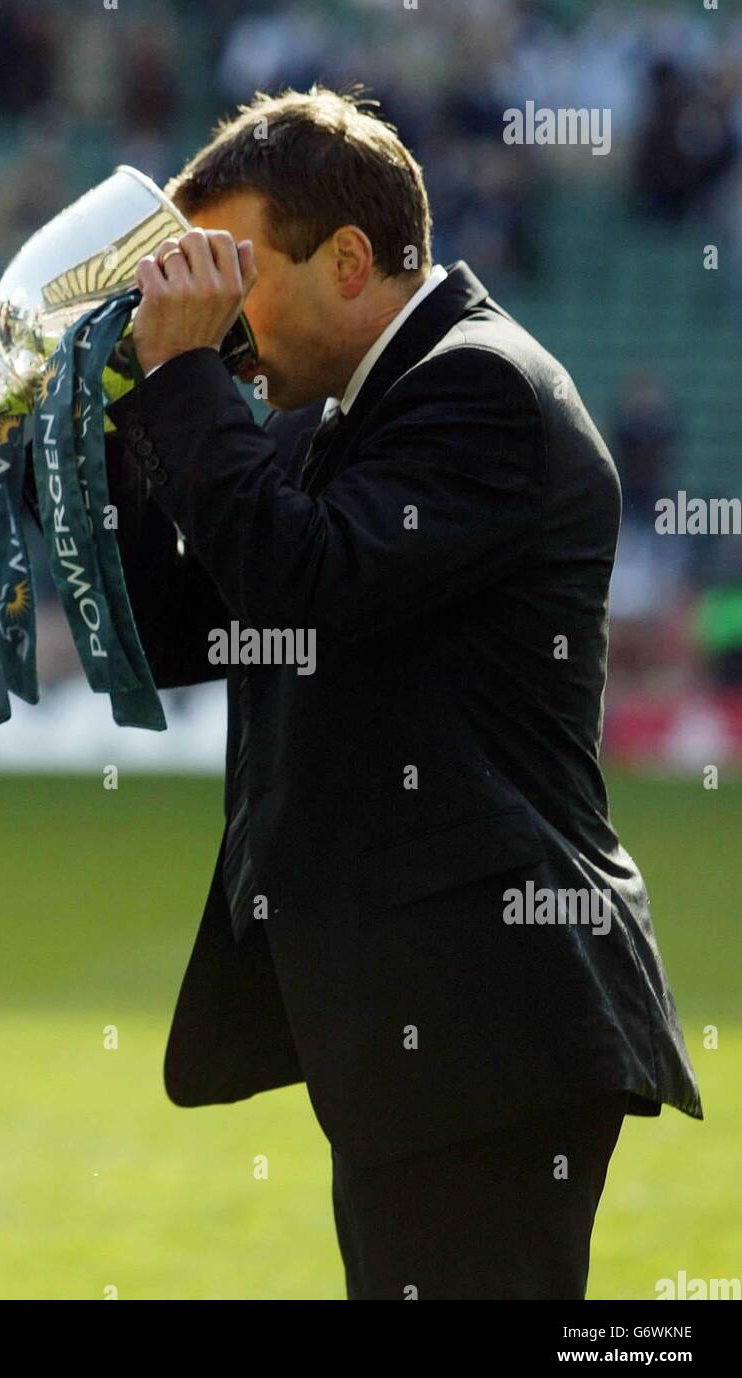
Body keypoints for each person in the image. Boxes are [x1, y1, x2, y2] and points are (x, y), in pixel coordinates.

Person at [39, 87, 704, 1300]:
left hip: (496, 1022)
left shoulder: (482, 388)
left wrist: (187, 379)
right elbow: (191, 629)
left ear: (349, 259)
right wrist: (73, 442)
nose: (225, 328)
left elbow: (303, 585)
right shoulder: (336, 415)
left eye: (236, 282)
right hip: (426, 1029)